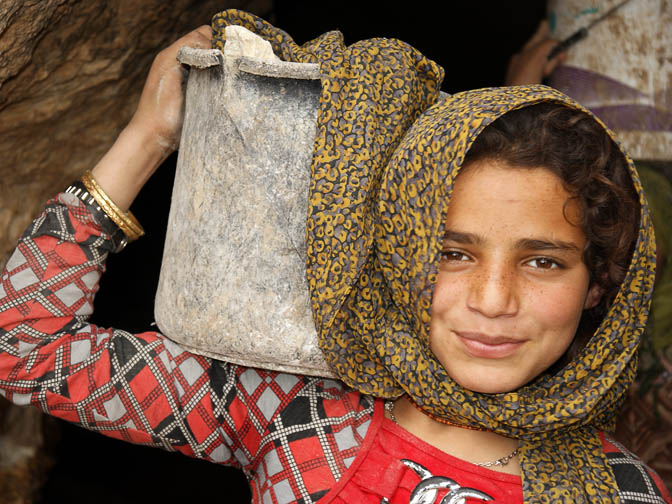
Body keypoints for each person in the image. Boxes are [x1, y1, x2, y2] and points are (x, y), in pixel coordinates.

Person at [0, 9, 669, 504]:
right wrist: (149, 135)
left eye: (543, 261)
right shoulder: (294, 408)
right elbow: (25, 348)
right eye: (451, 253)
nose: (493, 299)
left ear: (599, 284)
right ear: (399, 254)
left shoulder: (625, 495)